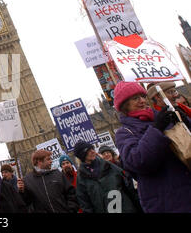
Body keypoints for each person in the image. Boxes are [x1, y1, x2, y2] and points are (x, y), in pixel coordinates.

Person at [113, 81, 191, 213]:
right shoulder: (124, 133)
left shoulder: (162, 117)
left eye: (143, 96)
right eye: (135, 98)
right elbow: (138, 161)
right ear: (125, 105)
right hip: (166, 201)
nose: (142, 101)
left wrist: (185, 122)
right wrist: (156, 130)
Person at [74, 140, 141, 213]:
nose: (93, 151)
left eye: (92, 149)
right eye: (88, 150)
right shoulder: (81, 178)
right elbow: (85, 204)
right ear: (82, 155)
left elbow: (128, 185)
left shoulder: (108, 165)